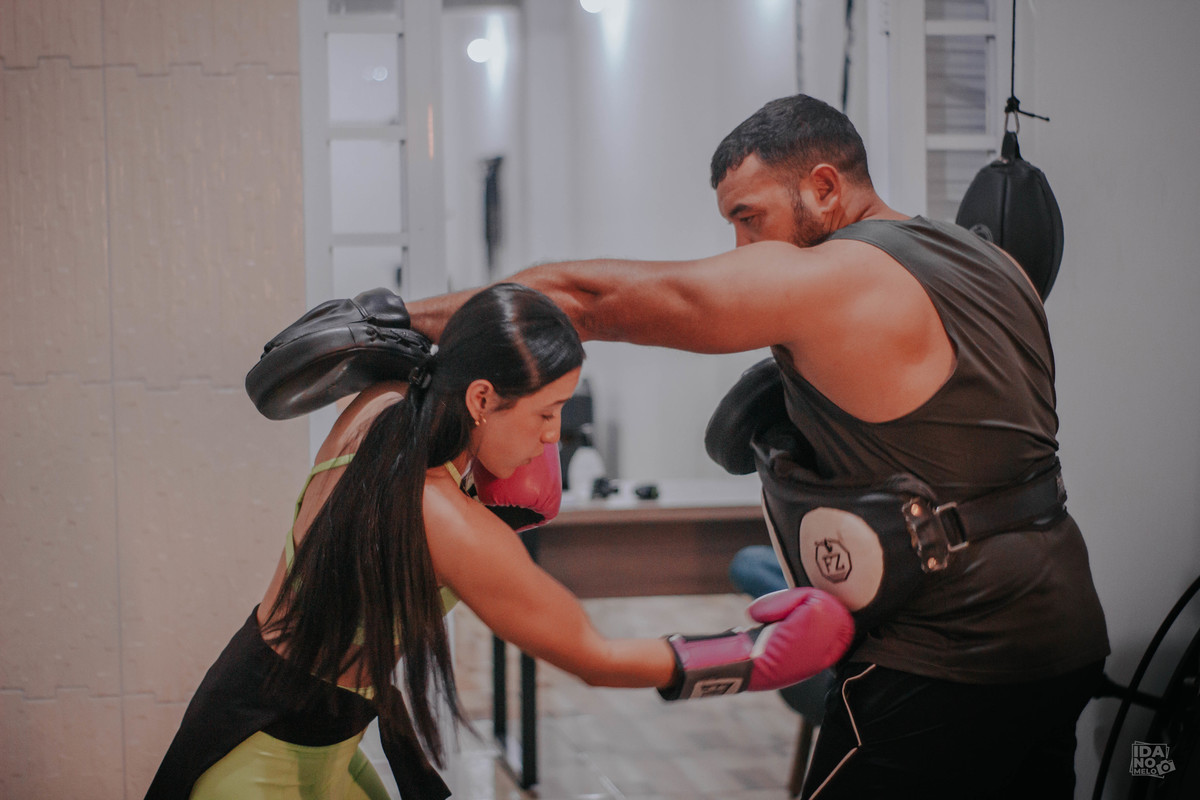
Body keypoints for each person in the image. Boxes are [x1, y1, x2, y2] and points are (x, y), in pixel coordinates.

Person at [408, 95, 1110, 798]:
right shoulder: (996, 265)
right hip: (1065, 637)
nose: (745, 249)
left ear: (825, 187)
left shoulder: (839, 277)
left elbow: (582, 301)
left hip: (946, 655)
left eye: (751, 218)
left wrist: (391, 321)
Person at [144, 282, 854, 800]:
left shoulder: (390, 401)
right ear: (481, 398)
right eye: (547, 413)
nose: (555, 436)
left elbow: (503, 313)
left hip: (311, 729)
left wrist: (416, 317)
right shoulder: (443, 517)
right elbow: (592, 655)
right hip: (261, 753)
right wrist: (751, 657)